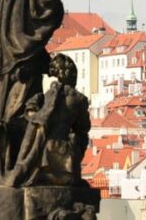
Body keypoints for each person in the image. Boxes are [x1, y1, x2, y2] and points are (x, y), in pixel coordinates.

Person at [0, 0, 64, 180]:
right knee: (22, 106)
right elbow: (43, 14)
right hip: (25, 52)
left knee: (7, 102)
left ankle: (3, 165)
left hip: (8, 49)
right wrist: (57, 4)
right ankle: (15, 164)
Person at [6, 54, 90, 187]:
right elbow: (83, 130)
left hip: (44, 160)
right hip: (66, 160)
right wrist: (77, 149)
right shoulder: (79, 99)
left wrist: (32, 109)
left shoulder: (48, 98)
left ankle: (18, 170)